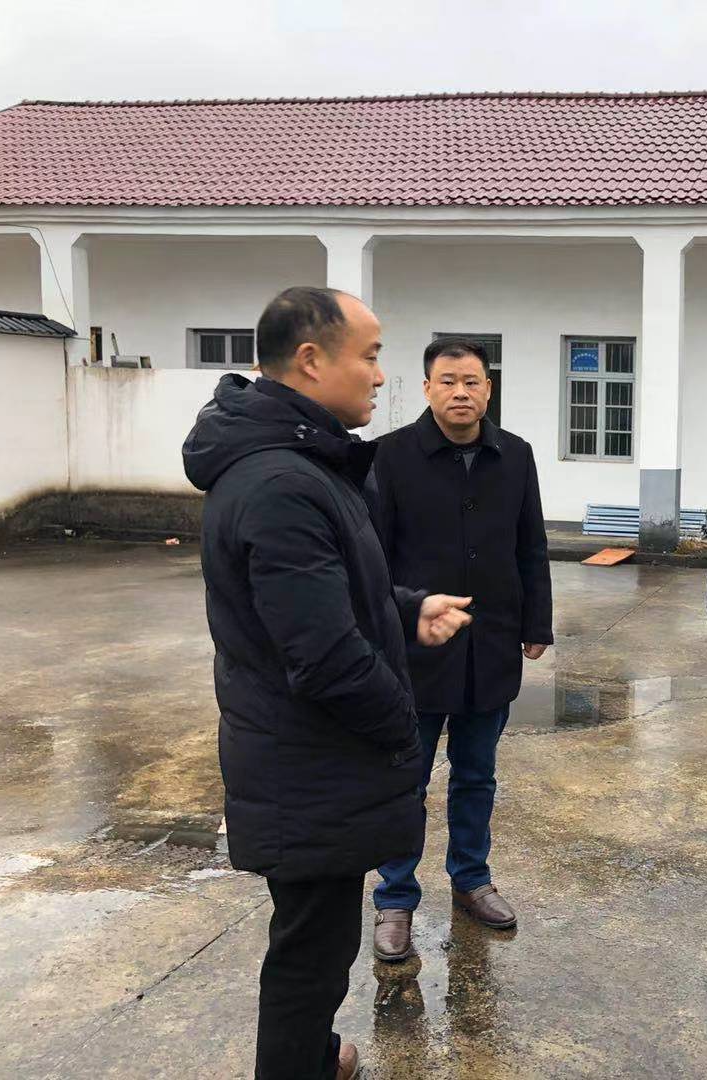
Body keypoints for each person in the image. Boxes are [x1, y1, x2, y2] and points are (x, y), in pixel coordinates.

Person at [183, 286, 472, 1080]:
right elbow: (323, 654)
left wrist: (406, 610)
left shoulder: (301, 466)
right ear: (311, 360)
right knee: (309, 960)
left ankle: (315, 1056)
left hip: (304, 762)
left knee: (316, 946)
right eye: (370, 356)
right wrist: (401, 728)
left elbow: (328, 595)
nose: (380, 375)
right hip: (305, 766)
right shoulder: (281, 482)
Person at [367, 335, 553, 961]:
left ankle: (472, 879)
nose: (460, 392)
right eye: (447, 381)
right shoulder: (391, 457)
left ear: (488, 389)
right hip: (416, 649)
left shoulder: (516, 456)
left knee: (477, 775)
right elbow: (372, 558)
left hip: (491, 645)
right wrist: (394, 621)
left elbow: (531, 545)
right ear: (427, 389)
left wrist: (536, 623)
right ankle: (395, 896)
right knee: (407, 779)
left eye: (472, 381)